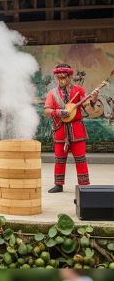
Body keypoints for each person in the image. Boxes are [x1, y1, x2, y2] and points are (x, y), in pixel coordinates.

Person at [44, 63, 104, 193]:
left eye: (64, 77)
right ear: (56, 78)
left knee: (80, 158)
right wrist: (59, 112)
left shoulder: (79, 90)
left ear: (70, 77)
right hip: (60, 129)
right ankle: (58, 184)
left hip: (76, 129)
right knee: (59, 158)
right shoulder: (52, 94)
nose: (61, 80)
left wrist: (93, 99)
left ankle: (84, 184)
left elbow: (87, 108)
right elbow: (47, 110)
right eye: (58, 77)